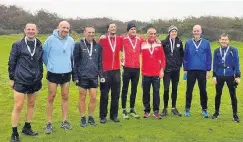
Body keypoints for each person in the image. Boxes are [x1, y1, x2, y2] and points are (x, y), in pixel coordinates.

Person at [8, 23, 43, 142]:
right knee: (18, 105)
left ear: (36, 31)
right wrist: (12, 78)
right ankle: (14, 133)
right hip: (21, 79)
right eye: (29, 29)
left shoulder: (38, 44)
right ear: (25, 30)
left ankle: (27, 127)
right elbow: (12, 62)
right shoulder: (17, 44)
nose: (31, 31)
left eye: (33, 29)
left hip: (34, 80)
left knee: (31, 104)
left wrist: (40, 76)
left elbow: (39, 62)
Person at [43, 21, 75, 134]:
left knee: (65, 96)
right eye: (63, 27)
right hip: (53, 73)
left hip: (66, 72)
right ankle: (49, 123)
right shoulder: (50, 39)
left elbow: (72, 56)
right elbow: (44, 55)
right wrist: (51, 65)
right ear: (58, 27)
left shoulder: (71, 41)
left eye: (67, 28)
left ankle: (65, 121)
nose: (65, 30)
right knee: (51, 96)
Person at [73, 26, 103, 127]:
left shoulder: (98, 46)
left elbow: (99, 62)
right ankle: (82, 117)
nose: (91, 34)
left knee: (94, 97)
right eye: (89, 32)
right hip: (82, 76)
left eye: (93, 32)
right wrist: (75, 76)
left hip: (93, 76)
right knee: (82, 97)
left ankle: (90, 117)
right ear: (84, 33)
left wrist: (101, 75)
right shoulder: (78, 45)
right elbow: (75, 62)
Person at [183, 24, 212, 118]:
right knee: (189, 90)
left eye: (198, 30)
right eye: (195, 31)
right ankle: (187, 109)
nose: (196, 32)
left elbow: (209, 57)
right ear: (192, 32)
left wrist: (208, 70)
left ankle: (204, 109)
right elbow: (185, 57)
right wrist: (185, 69)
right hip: (191, 70)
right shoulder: (188, 42)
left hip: (202, 70)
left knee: (203, 90)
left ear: (201, 31)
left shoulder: (206, 43)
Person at [212, 33, 241, 122]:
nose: (224, 41)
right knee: (218, 94)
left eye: (225, 39)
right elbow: (215, 64)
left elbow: (236, 63)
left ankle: (235, 115)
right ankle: (216, 113)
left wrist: (238, 76)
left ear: (228, 41)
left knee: (233, 95)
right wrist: (214, 76)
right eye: (222, 39)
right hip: (219, 75)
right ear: (219, 40)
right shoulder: (216, 51)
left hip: (230, 75)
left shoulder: (233, 50)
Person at [98, 22, 123, 124]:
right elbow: (97, 51)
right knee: (104, 94)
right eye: (111, 27)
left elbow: (126, 47)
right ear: (108, 29)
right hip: (105, 70)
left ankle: (114, 115)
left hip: (116, 70)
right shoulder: (103, 39)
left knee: (116, 94)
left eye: (114, 27)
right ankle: (103, 116)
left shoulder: (120, 39)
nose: (113, 28)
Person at [141, 28, 166, 119]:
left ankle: (156, 111)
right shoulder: (142, 44)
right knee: (145, 93)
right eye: (151, 34)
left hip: (156, 73)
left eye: (154, 34)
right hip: (145, 73)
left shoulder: (159, 45)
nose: (153, 35)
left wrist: (162, 70)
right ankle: (147, 111)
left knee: (156, 92)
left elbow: (163, 58)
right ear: (147, 34)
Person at [120, 23, 143, 119]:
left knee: (134, 90)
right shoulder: (123, 39)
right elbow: (115, 44)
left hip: (136, 68)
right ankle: (124, 110)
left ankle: (132, 109)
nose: (133, 31)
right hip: (127, 67)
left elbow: (149, 43)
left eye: (134, 29)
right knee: (125, 89)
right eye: (131, 29)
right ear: (128, 31)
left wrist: (158, 41)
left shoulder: (140, 39)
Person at [161, 25, 184, 117]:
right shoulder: (163, 42)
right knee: (166, 89)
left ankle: (174, 108)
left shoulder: (179, 42)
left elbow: (182, 54)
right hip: (167, 70)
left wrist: (179, 64)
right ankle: (165, 108)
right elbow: (161, 55)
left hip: (175, 70)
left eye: (175, 31)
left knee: (174, 89)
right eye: (172, 31)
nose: (174, 33)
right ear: (169, 32)